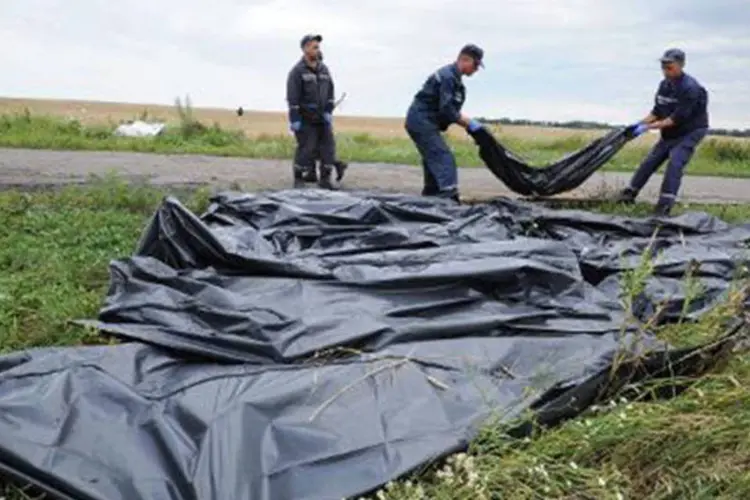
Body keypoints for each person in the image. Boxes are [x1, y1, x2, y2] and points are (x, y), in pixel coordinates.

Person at [616, 48, 709, 216]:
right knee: (650, 161)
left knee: (675, 162)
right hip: (670, 131)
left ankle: (664, 206)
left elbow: (675, 119)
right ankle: (629, 193)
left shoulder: (691, 88)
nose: (665, 70)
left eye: (669, 66)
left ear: (681, 65)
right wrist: (638, 124)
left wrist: (648, 128)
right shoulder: (664, 85)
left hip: (690, 131)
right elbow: (657, 112)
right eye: (663, 66)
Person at [405, 44, 486, 202]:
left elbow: (449, 109)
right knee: (443, 157)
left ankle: (431, 198)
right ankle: (448, 198)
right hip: (421, 121)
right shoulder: (448, 77)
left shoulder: (455, 80)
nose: (476, 69)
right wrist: (469, 124)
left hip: (425, 122)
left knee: (432, 160)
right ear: (464, 59)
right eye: (475, 65)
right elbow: (447, 110)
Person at [286, 34, 338, 189]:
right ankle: (299, 179)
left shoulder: (324, 69)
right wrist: (294, 118)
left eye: (318, 47)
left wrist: (329, 110)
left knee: (328, 147)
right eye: (314, 47)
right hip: (306, 118)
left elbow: (330, 92)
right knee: (306, 148)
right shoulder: (297, 72)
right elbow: (292, 98)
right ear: (305, 49)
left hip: (323, 118)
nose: (317, 49)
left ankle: (325, 180)